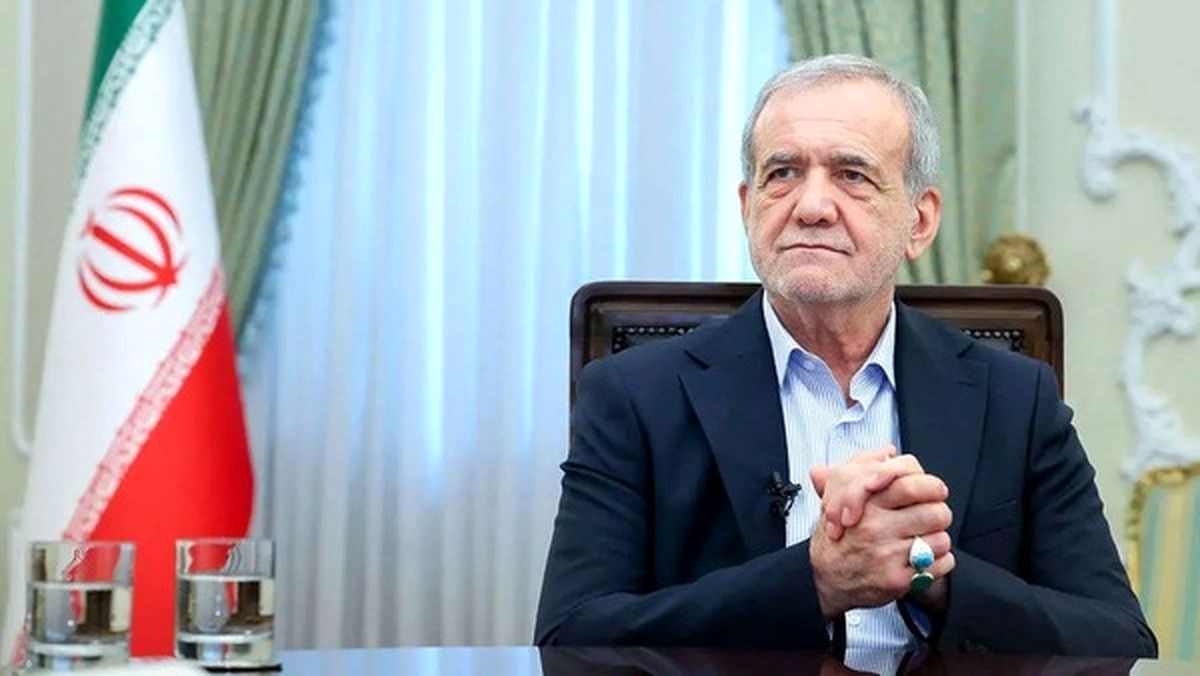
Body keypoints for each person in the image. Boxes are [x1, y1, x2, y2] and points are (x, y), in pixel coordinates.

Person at [534, 54, 1156, 657]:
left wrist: (931, 574)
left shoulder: (1015, 397)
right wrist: (814, 581)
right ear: (748, 206)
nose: (810, 207)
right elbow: (571, 639)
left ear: (919, 221)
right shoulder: (634, 395)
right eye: (782, 173)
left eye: (852, 175)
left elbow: (1117, 638)